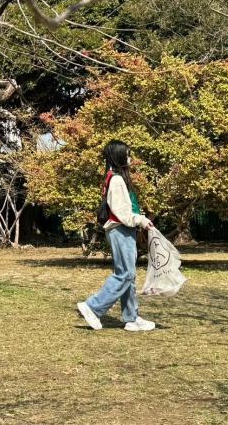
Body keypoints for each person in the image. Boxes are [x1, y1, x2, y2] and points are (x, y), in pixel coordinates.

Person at [77, 140, 156, 332]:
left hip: (121, 230)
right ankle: (93, 307)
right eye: (127, 154)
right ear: (118, 156)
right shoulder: (117, 180)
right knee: (125, 274)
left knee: (129, 275)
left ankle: (131, 317)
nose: (130, 158)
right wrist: (141, 220)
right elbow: (123, 213)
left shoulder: (113, 177)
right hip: (120, 229)